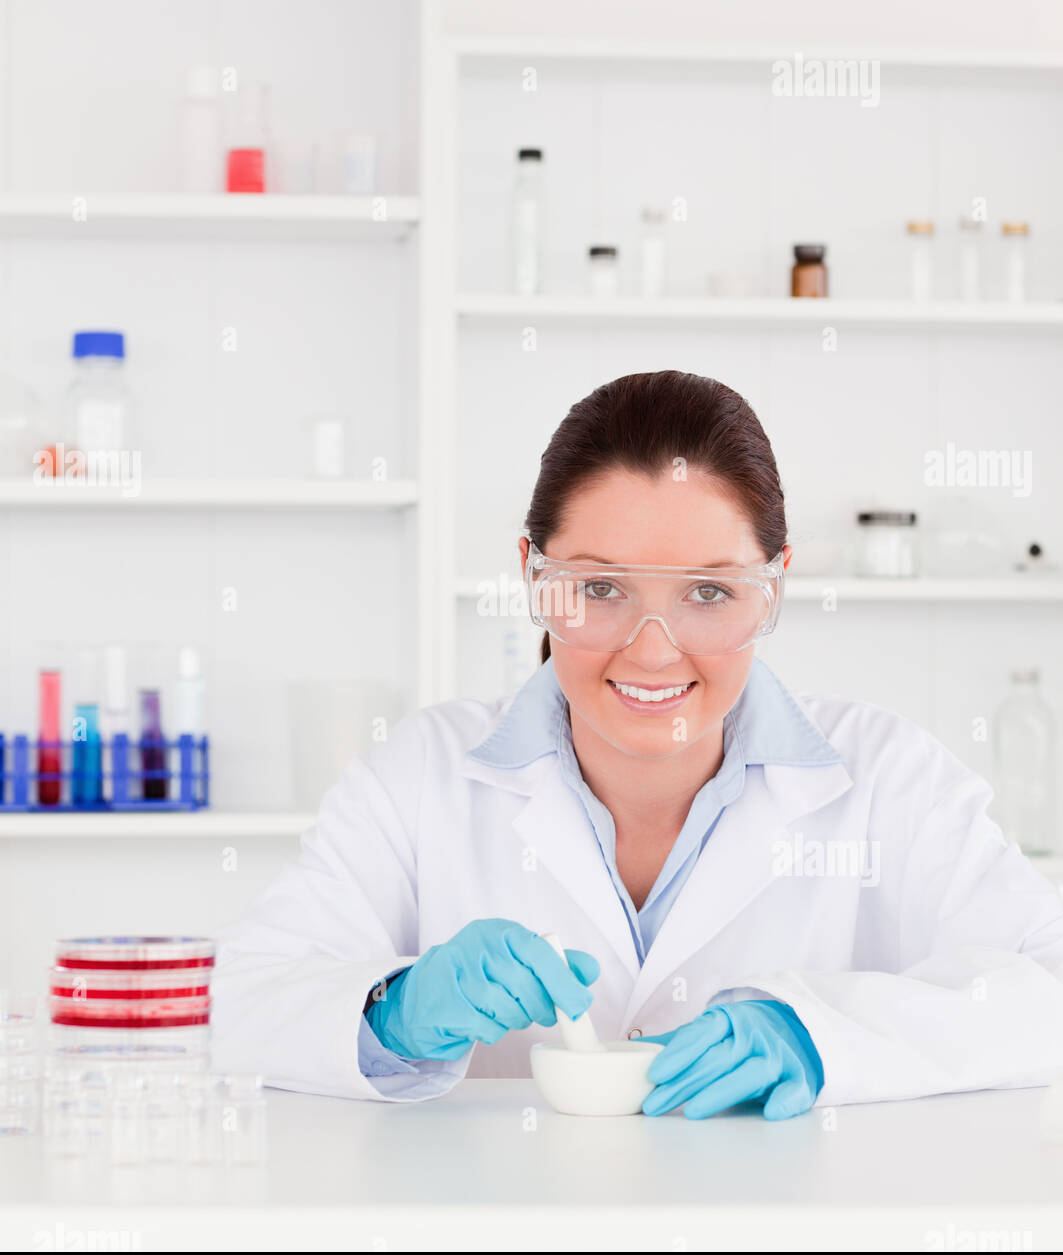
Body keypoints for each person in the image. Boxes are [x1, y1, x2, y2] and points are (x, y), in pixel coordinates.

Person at [210, 370, 1063, 1119]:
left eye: (706, 590)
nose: (652, 649)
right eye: (601, 587)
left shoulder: (887, 778)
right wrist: (388, 1013)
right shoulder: (419, 776)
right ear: (532, 578)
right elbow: (244, 1005)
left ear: (773, 585)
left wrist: (820, 1035)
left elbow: (1045, 989)